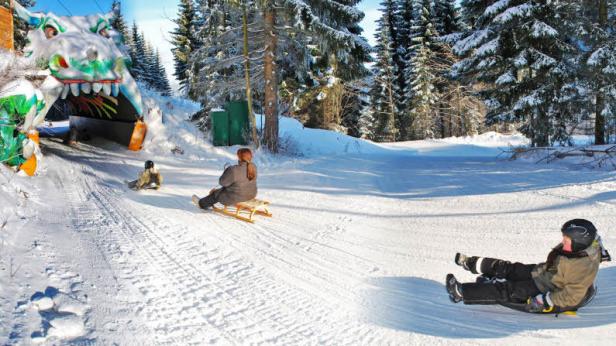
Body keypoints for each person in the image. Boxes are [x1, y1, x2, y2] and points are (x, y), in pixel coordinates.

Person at [446, 219, 611, 313]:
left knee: (507, 290)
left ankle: (461, 292)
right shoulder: (586, 246)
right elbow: (596, 239)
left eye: (566, 240)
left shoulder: (583, 268)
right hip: (544, 272)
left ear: (579, 242)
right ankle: (473, 263)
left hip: (546, 286)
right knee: (510, 268)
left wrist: (545, 300)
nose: (562, 242)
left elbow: (572, 296)